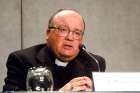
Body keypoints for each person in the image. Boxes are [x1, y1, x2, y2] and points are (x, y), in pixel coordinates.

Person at [3, 9, 106, 91]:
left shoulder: (94, 62)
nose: (70, 38)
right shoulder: (22, 59)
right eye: (63, 30)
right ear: (48, 33)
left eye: (77, 33)